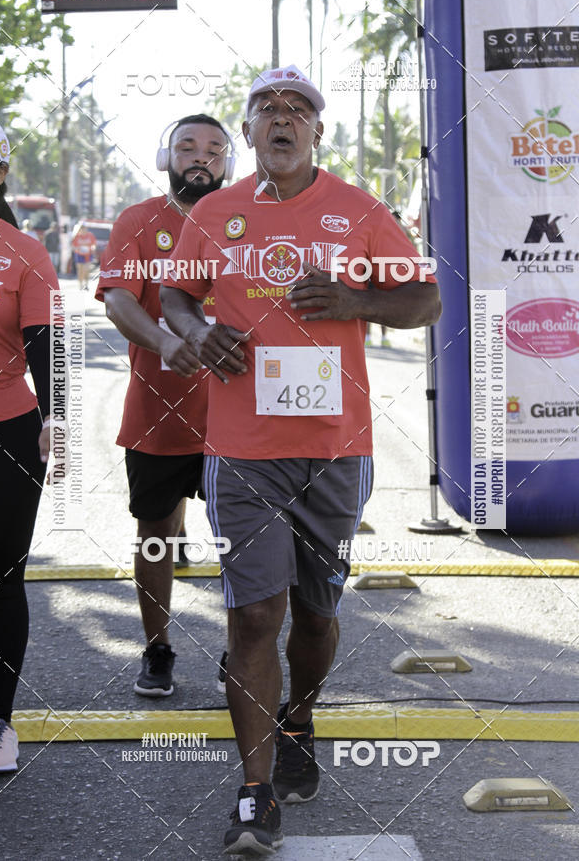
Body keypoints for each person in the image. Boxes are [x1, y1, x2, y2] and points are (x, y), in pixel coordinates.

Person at [160, 64, 441, 856]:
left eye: (299, 109)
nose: (282, 120)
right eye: (266, 109)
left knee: (315, 617)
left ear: (318, 130)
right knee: (255, 614)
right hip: (242, 450)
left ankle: (299, 717)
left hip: (333, 453)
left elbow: (424, 300)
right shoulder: (214, 213)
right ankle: (255, 797)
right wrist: (193, 330)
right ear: (247, 132)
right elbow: (178, 295)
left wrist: (357, 302)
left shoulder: (361, 211)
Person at [95, 114, 233, 698]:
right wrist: (166, 342)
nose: (200, 158)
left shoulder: (247, 223)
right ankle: (158, 650)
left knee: (243, 540)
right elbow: (119, 301)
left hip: (237, 419)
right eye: (187, 147)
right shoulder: (138, 221)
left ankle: (242, 650)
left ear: (229, 161)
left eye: (214, 149)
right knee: (154, 534)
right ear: (166, 156)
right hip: (156, 415)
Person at [0, 113, 58, 772]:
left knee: (2, 578)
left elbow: (45, 349)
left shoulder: (24, 251)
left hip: (3, 430)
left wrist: (56, 418)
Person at [71, 224, 97, 290]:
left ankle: (86, 284)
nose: (83, 230)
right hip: (79, 255)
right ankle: (80, 284)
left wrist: (93, 248)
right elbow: (73, 246)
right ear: (80, 229)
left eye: (84, 228)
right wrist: (76, 249)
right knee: (80, 270)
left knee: (86, 270)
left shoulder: (90, 235)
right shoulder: (76, 236)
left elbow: (94, 244)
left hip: (88, 255)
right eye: (82, 229)